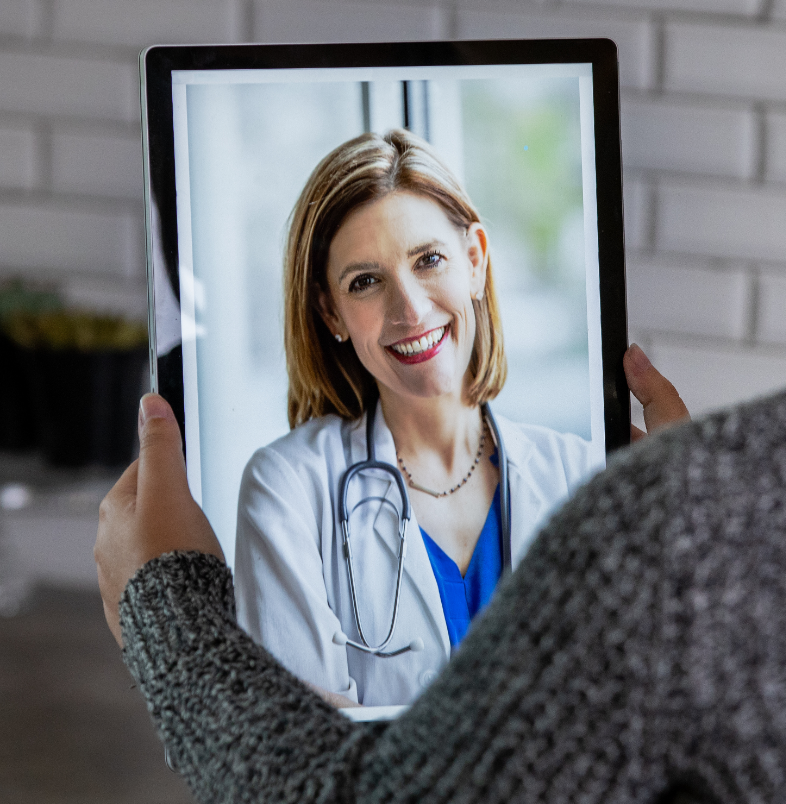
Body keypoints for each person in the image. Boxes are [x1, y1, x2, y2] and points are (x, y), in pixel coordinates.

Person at [96, 0, 786, 801]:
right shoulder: (309, 483)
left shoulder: (680, 522)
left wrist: (169, 605)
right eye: (362, 280)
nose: (405, 303)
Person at [232, 129, 613, 708]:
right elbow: (302, 758)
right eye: (366, 282)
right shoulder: (287, 490)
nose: (409, 309)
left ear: (476, 261)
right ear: (330, 311)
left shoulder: (583, 475)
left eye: (428, 260)